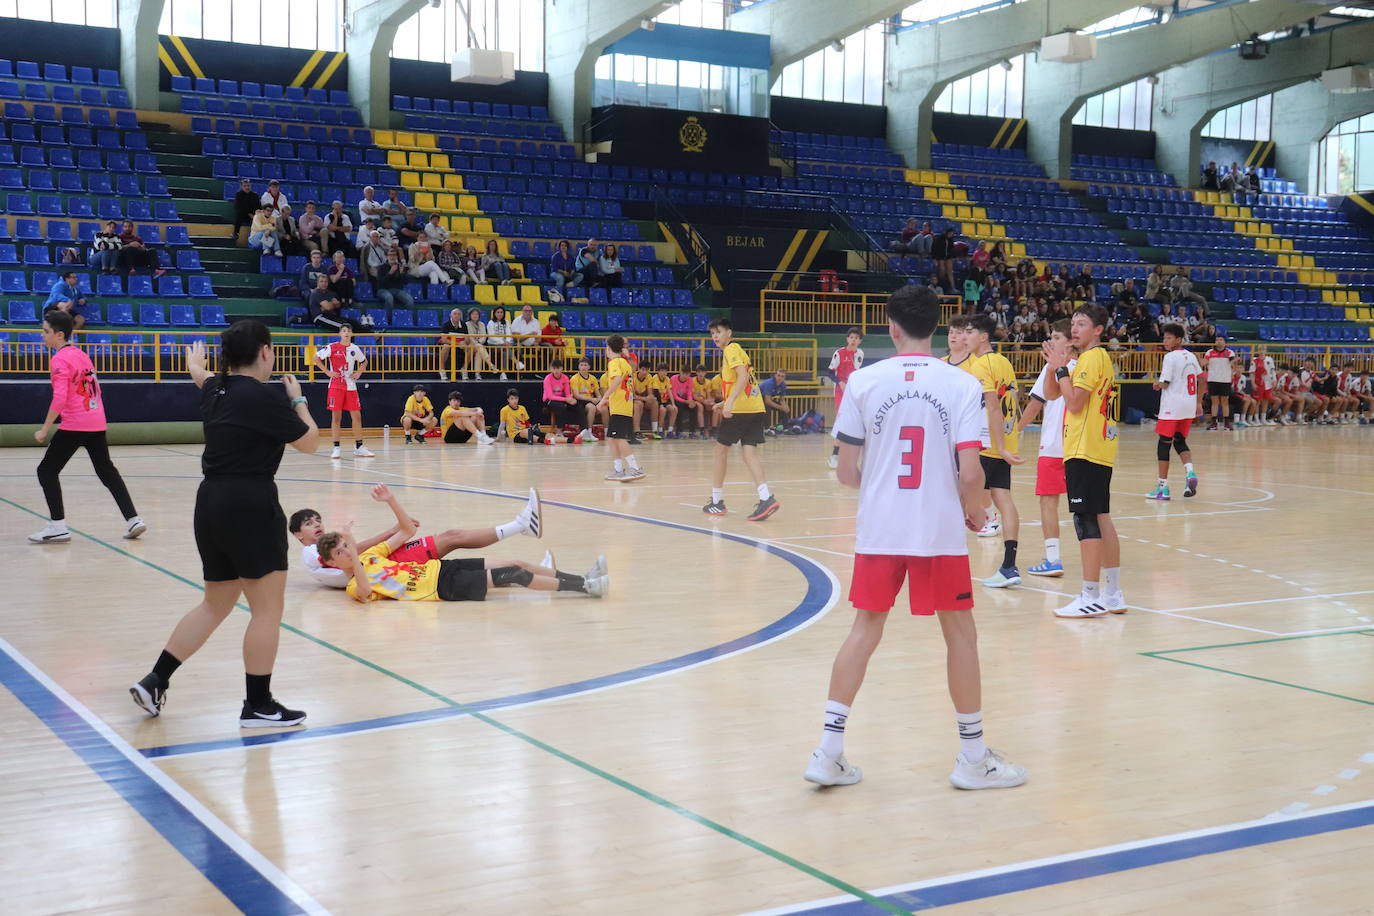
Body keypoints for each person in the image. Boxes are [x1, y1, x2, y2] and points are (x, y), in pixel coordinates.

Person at [805, 284, 1026, 791]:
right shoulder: (961, 384)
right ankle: (973, 758)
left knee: (864, 630)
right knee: (961, 635)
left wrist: (882, 490)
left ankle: (828, 751)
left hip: (880, 528)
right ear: (937, 328)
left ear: (892, 327)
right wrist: (973, 513)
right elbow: (971, 473)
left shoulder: (862, 381)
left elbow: (845, 472)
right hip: (937, 529)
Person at [129, 322, 319, 727]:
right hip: (250, 503)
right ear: (266, 353)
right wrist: (298, 399)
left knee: (215, 602)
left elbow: (203, 379)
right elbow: (310, 441)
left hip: (210, 503)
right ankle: (258, 705)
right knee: (267, 611)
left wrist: (194, 367)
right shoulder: (264, 397)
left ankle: (155, 680)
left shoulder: (216, 390)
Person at [28, 310, 145, 544]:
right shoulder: (81, 355)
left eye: (46, 331)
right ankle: (133, 519)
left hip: (75, 424)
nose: (43, 336)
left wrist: (44, 429)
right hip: (95, 421)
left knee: (46, 471)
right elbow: (95, 389)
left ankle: (58, 526)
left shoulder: (59, 359)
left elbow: (60, 398)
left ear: (59, 335)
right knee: (106, 471)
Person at [1041, 304, 1125, 618]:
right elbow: (1053, 394)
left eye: (1082, 324)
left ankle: (1090, 594)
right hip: (1096, 447)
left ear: (1099, 330)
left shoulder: (1092, 358)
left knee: (1086, 519)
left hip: (1085, 447)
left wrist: (1062, 369)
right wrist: (1054, 366)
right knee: (1101, 517)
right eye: (1073, 324)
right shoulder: (1088, 360)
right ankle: (1113, 593)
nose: (1075, 329)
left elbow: (1074, 403)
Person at [290, 484, 535, 589]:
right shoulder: (311, 553)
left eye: (317, 520)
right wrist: (390, 532)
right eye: (308, 524)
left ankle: (526, 556)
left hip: (387, 562)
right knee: (453, 540)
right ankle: (521, 528)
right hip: (392, 566)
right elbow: (357, 554)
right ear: (297, 534)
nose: (317, 525)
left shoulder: (325, 549)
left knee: (453, 539)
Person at [317, 522, 607, 603]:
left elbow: (406, 530)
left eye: (346, 546)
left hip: (443, 569)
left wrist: (390, 499)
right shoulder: (354, 585)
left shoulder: (370, 556)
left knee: (517, 562)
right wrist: (354, 555)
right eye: (341, 552)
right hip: (441, 588)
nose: (347, 551)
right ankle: (584, 587)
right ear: (333, 562)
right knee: (515, 574)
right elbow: (367, 593)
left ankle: (583, 577)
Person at [965, 314, 1025, 589]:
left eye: (970, 332)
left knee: (959, 499)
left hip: (987, 442)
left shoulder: (980, 365)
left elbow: (992, 406)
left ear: (983, 336)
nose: (965, 337)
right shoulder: (1003, 362)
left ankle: (940, 563)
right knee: (1003, 500)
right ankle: (1009, 566)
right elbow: (1011, 400)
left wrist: (998, 445)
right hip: (1005, 440)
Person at [703, 318, 778, 521]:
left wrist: (730, 403)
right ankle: (766, 497)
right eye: (712, 333)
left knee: (720, 450)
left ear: (729, 333)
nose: (715, 336)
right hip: (755, 406)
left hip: (741, 409)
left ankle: (717, 502)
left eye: (718, 332)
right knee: (749, 452)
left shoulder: (731, 349)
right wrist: (725, 401)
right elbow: (742, 382)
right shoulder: (736, 351)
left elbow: (743, 376)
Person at [1014, 318, 1072, 577]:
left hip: (1054, 446)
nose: (1050, 342)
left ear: (1070, 342)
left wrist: (1016, 431)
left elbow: (1035, 403)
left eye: (1056, 337)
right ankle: (1103, 556)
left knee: (1049, 502)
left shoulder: (1052, 368)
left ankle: (1053, 559)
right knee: (1090, 507)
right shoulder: (1090, 366)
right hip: (1081, 447)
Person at [1147, 324, 1202, 501]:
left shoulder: (1170, 357)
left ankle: (1162, 488)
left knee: (1163, 444)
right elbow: (1202, 380)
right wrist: (1199, 402)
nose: (1165, 340)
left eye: (1169, 338)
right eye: (1164, 337)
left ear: (1178, 339)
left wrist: (1157, 384)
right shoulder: (1192, 356)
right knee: (1180, 440)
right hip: (1189, 405)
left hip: (1172, 406)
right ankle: (1190, 472)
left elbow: (1165, 382)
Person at [313, 324, 374, 460]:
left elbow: (364, 362)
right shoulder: (332, 347)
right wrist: (327, 371)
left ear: (352, 334)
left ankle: (359, 447)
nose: (346, 333)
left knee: (357, 416)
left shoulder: (355, 349)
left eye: (349, 331)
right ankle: (336, 448)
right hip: (335, 386)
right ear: (340, 334)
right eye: (344, 331)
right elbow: (316, 358)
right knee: (336, 417)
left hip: (350, 386)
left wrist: (359, 372)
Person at [597, 335, 646, 482]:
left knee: (618, 438)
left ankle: (635, 469)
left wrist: (604, 397)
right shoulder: (625, 363)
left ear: (609, 348)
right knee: (612, 438)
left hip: (620, 407)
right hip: (623, 405)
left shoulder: (615, 363)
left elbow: (618, 380)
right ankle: (618, 470)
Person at [826, 327, 864, 468]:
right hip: (840, 391)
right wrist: (840, 382)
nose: (854, 340)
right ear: (847, 339)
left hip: (853, 391)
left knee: (854, 421)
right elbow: (830, 373)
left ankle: (847, 454)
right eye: (851, 337)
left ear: (860, 341)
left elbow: (856, 373)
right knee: (841, 420)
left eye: (857, 338)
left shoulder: (860, 354)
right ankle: (834, 455)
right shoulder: (839, 353)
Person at [1203, 334, 1236, 431]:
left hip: (1225, 380)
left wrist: (1235, 362)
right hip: (1212, 379)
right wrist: (1198, 359)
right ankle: (1214, 423)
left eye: (1221, 340)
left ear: (1225, 342)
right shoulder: (1209, 352)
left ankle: (1226, 423)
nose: (1219, 341)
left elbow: (1232, 363)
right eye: (1217, 340)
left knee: (1225, 402)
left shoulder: (1230, 352)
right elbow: (1204, 363)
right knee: (1215, 402)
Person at [570, 357, 601, 441]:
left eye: (585, 365)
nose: (583, 367)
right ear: (578, 367)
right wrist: (591, 399)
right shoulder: (575, 378)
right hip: (579, 401)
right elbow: (576, 395)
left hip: (590, 400)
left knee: (603, 408)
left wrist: (599, 400)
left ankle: (607, 431)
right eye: (581, 365)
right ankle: (588, 432)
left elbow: (598, 395)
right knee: (591, 407)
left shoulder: (593, 378)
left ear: (589, 367)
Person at [543, 358, 577, 432]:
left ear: (561, 368)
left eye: (558, 368)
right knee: (561, 407)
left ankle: (581, 429)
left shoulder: (565, 378)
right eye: (554, 368)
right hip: (549, 401)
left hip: (561, 399)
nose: (556, 371)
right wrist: (566, 399)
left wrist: (570, 399)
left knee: (577, 405)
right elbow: (550, 396)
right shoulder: (547, 379)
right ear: (551, 368)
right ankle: (559, 430)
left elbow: (567, 394)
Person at [486, 306, 518, 378]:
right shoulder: (491, 323)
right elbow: (491, 336)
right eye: (498, 312)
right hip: (493, 344)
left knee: (505, 351)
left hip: (505, 345)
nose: (500, 314)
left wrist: (507, 341)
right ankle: (516, 362)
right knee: (506, 348)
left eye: (501, 312)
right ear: (494, 313)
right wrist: (503, 342)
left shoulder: (506, 322)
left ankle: (503, 373)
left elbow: (509, 333)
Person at [669, 366, 702, 436]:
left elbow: (689, 393)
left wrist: (690, 401)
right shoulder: (673, 378)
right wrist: (685, 401)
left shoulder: (690, 380)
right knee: (679, 406)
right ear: (680, 372)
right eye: (683, 373)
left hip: (685, 400)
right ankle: (679, 431)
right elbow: (674, 395)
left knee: (694, 407)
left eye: (687, 374)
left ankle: (692, 431)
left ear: (689, 374)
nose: (685, 376)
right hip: (676, 400)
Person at [231, 178, 259, 246]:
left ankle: (255, 239)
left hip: (253, 215)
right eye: (245, 186)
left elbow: (258, 206)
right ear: (241, 186)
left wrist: (254, 215)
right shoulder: (238, 195)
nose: (247, 187)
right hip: (243, 215)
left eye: (248, 185)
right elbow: (238, 207)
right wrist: (248, 214)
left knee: (258, 220)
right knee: (238, 216)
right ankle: (236, 233)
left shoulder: (255, 195)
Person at [930, 227, 957, 293]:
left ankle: (953, 287)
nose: (951, 235)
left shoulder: (951, 240)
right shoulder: (939, 239)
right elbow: (934, 249)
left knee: (950, 271)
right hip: (940, 256)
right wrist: (934, 258)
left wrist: (953, 257)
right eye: (950, 233)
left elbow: (952, 250)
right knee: (942, 269)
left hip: (947, 256)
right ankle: (941, 283)